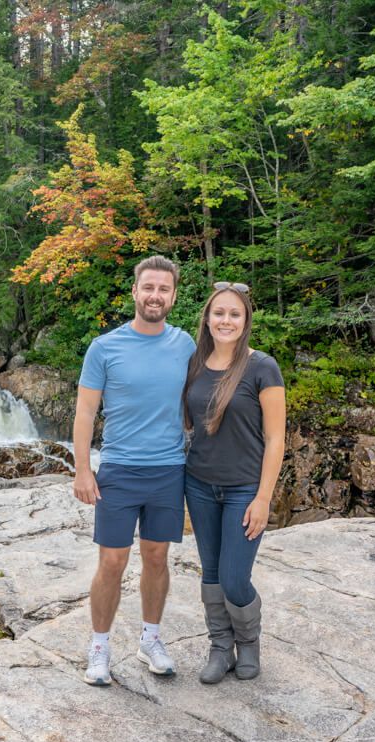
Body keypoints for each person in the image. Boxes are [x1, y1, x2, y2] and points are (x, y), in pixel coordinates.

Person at [72, 256, 197, 686]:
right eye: (149, 287)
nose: (155, 296)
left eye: (163, 289)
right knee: (112, 561)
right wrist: (83, 470)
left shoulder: (185, 345)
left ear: (174, 296)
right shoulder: (105, 347)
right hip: (120, 470)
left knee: (157, 557)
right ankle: (100, 647)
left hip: (169, 470)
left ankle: (150, 639)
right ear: (135, 291)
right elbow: (86, 413)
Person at [183, 282, 286, 683]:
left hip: (244, 488)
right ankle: (220, 648)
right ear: (207, 318)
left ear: (245, 321)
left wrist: (263, 498)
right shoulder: (194, 363)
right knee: (210, 573)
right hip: (199, 484)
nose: (226, 320)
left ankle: (249, 643)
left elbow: (277, 438)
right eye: (219, 313)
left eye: (234, 314)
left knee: (234, 578)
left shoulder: (263, 367)